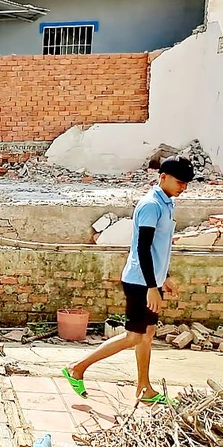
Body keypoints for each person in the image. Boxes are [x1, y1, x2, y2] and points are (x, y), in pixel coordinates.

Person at [61, 155, 195, 405]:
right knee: (134, 336)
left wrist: (162, 277)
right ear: (163, 177)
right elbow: (143, 248)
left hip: (151, 281)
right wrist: (152, 287)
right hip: (140, 282)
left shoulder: (167, 203)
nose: (183, 187)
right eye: (180, 182)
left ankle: (144, 388)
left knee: (148, 333)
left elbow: (158, 247)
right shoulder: (151, 205)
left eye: (187, 183)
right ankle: (77, 368)